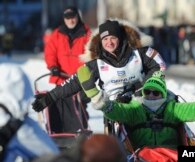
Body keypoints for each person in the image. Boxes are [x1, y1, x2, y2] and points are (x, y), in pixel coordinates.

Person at [32, 19, 167, 133]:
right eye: (105, 39)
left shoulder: (140, 54)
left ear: (120, 38)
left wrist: (142, 89)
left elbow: (159, 66)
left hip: (145, 102)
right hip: (115, 111)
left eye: (113, 38)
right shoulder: (97, 64)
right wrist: (49, 98)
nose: (109, 42)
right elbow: (73, 83)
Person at [66, 67, 195, 153]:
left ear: (163, 93)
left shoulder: (172, 108)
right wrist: (94, 93)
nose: (151, 95)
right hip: (141, 155)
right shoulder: (135, 109)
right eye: (147, 91)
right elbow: (113, 109)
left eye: (156, 92)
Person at [43, 6, 91, 133]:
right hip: (61, 78)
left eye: (73, 17)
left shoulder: (87, 33)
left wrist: (85, 70)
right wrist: (53, 66)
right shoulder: (57, 34)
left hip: (80, 80)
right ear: (64, 19)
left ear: (77, 17)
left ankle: (81, 131)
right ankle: (61, 133)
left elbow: (91, 54)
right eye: (67, 18)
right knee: (60, 106)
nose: (70, 20)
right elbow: (50, 53)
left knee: (78, 107)